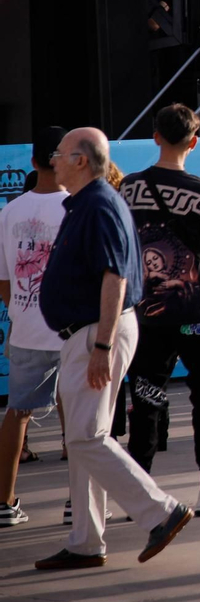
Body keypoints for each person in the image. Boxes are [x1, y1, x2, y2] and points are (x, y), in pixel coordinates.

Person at [36, 127, 193, 570]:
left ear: (81, 160)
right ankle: (86, 541)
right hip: (89, 333)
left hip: (96, 333)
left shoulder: (100, 204)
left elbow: (114, 278)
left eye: (61, 154)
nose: (56, 160)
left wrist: (102, 344)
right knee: (86, 436)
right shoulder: (91, 203)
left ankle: (160, 511)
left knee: (86, 436)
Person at [120, 104, 200, 516]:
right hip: (195, 309)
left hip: (148, 310)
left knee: (146, 394)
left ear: (155, 136)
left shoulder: (129, 188)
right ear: (194, 141)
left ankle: (139, 490)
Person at [0, 127, 68, 528]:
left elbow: (4, 281)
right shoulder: (78, 207)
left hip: (25, 326)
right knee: (80, 417)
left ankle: (4, 502)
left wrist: (23, 311)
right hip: (72, 329)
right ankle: (80, 501)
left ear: (33, 161)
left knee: (17, 413)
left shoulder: (9, 213)